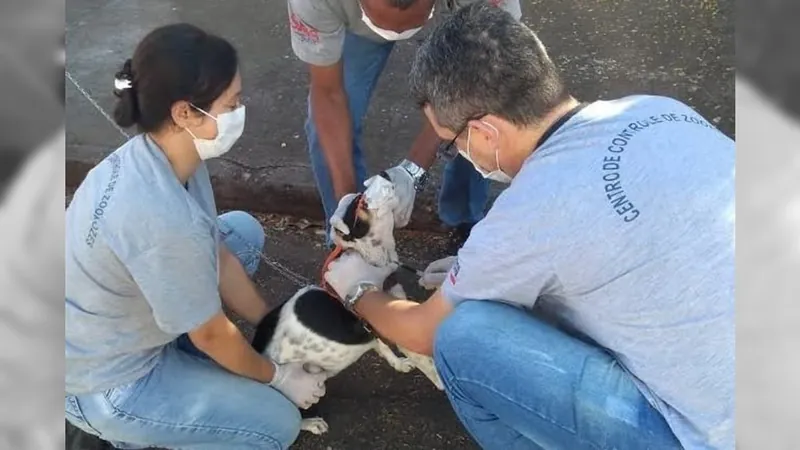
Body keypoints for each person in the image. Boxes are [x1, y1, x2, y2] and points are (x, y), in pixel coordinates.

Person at [323, 4, 734, 450]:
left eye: (451, 143)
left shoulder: (530, 210)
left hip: (715, 437)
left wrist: (359, 292)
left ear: (485, 134)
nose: (458, 152)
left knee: (464, 338)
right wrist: (479, 269)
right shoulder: (655, 109)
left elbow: (423, 331)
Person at [64, 24, 326, 450]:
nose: (241, 110)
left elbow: (217, 255)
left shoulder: (164, 156)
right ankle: (129, 432)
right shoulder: (164, 219)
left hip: (103, 324)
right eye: (232, 103)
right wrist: (277, 375)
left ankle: (184, 381)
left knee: (241, 232)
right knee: (275, 424)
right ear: (185, 113)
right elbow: (211, 333)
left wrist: (274, 326)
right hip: (109, 382)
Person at [287, 0, 521, 249]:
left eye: (406, 24)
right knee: (322, 130)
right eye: (384, 22)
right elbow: (329, 94)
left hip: (456, 17)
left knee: (483, 115)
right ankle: (349, 239)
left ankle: (464, 220)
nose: (396, 32)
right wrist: (348, 201)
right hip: (356, 25)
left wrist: (411, 171)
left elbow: (480, 78)